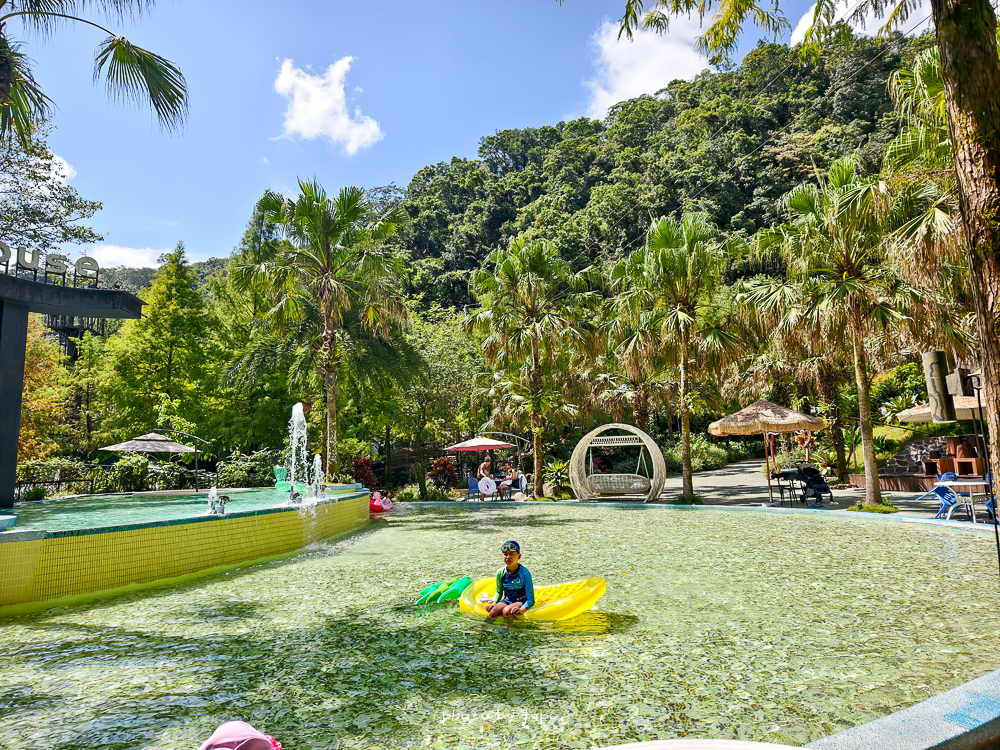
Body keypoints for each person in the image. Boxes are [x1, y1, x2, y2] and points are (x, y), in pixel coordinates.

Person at [484, 540, 534, 623]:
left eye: (512, 554)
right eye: (505, 554)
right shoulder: (500, 572)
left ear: (519, 556)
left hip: (520, 601)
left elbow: (531, 599)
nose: (508, 557)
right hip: (507, 600)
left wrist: (522, 609)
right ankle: (482, 630)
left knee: (506, 611)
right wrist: (493, 603)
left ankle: (509, 632)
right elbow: (498, 592)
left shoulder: (525, 573)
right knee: (493, 612)